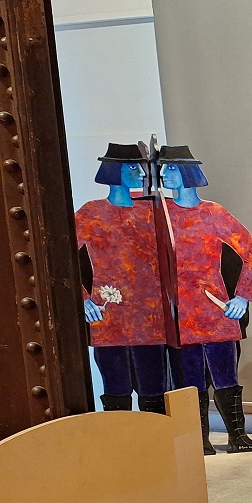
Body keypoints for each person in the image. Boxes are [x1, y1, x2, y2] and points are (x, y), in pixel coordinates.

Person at [158, 145, 252, 454]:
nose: (165, 174)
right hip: (180, 314)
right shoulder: (161, 216)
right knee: (189, 380)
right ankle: (198, 441)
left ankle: (237, 437)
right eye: (164, 168)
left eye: (171, 168)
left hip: (215, 309)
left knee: (226, 375)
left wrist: (243, 296)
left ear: (187, 172)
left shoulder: (213, 213)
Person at [76, 143, 169, 413]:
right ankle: (119, 438)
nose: (140, 172)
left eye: (140, 166)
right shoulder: (91, 213)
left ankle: (156, 436)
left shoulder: (151, 211)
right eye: (132, 167)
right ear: (114, 170)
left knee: (154, 387)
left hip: (150, 315)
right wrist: (83, 299)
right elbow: (61, 259)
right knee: (116, 387)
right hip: (109, 315)